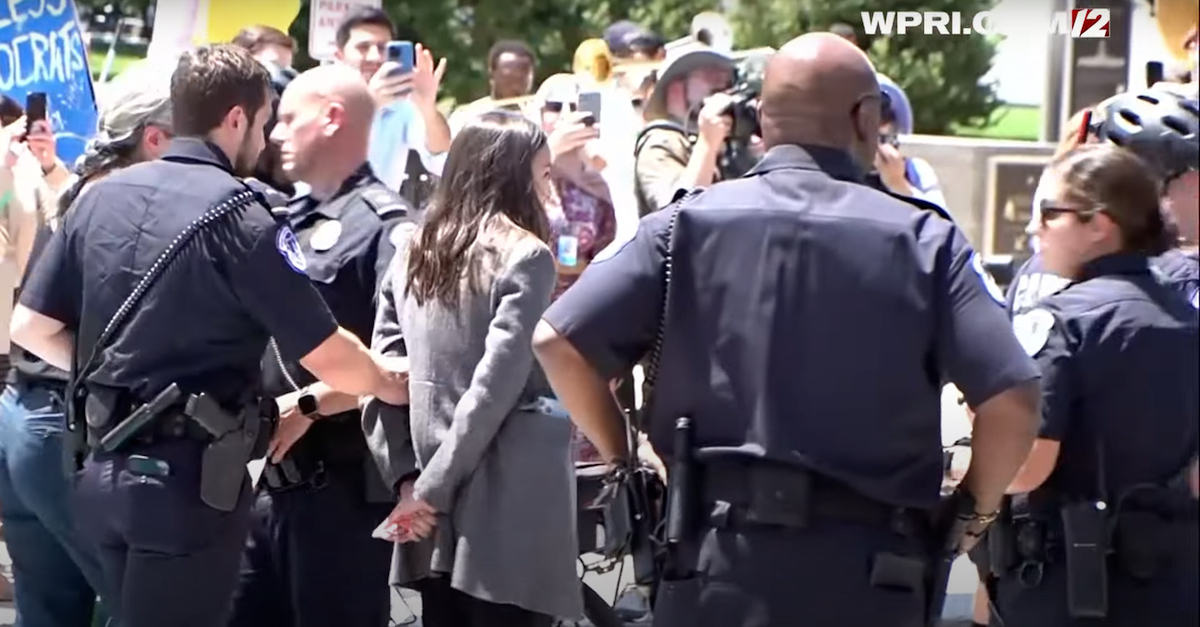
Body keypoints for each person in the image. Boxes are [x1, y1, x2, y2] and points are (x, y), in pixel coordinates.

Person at [532, 33, 1041, 627]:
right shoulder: (924, 240)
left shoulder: (682, 225)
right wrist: (968, 515)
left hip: (714, 565)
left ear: (761, 123)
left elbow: (557, 341)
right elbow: (1014, 398)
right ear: (866, 116)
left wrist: (626, 460)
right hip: (873, 574)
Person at [8, 45, 410, 627]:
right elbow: (327, 354)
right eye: (266, 120)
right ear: (237, 118)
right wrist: (386, 381)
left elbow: (31, 327)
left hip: (99, 472)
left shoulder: (100, 197)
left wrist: (121, 373)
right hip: (188, 487)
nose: (268, 138)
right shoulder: (241, 215)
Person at [367, 111, 582, 627]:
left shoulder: (412, 249)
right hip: (505, 504)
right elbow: (494, 388)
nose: (549, 187)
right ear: (514, 175)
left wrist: (407, 481)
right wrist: (428, 491)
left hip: (425, 499)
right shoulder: (525, 255)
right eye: (544, 173)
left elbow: (380, 379)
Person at [227, 64, 414, 627]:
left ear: (332, 118)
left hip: (342, 498)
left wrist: (310, 404)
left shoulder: (389, 228)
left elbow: (411, 366)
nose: (275, 134)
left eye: (287, 119)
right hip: (263, 491)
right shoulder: (285, 219)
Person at [0, 56, 176, 627]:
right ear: (154, 138)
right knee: (138, 608)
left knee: (50, 611)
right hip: (64, 428)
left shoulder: (86, 191)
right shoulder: (125, 203)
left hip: (28, 422)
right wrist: (115, 371)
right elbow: (31, 326)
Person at [993, 144, 1198, 627]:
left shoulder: (1061, 321)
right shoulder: (1188, 319)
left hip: (1072, 586)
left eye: (1049, 213)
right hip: (1177, 588)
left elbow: (1025, 469)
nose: (1034, 227)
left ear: (1099, 225)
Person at [333, 7, 450, 198]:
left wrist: (428, 107)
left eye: (382, 48)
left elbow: (441, 159)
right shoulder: (315, 94)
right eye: (363, 47)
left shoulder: (402, 105)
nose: (375, 57)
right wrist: (369, 106)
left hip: (377, 219)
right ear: (339, 56)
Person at [634, 43, 736, 216]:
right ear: (676, 88)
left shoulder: (722, 140)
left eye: (727, 78)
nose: (723, 84)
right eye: (710, 75)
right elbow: (676, 215)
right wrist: (707, 145)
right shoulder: (659, 143)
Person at [448, 40, 537, 135]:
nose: (516, 84)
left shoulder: (540, 117)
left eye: (523, 76)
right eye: (510, 77)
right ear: (492, 74)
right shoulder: (467, 116)